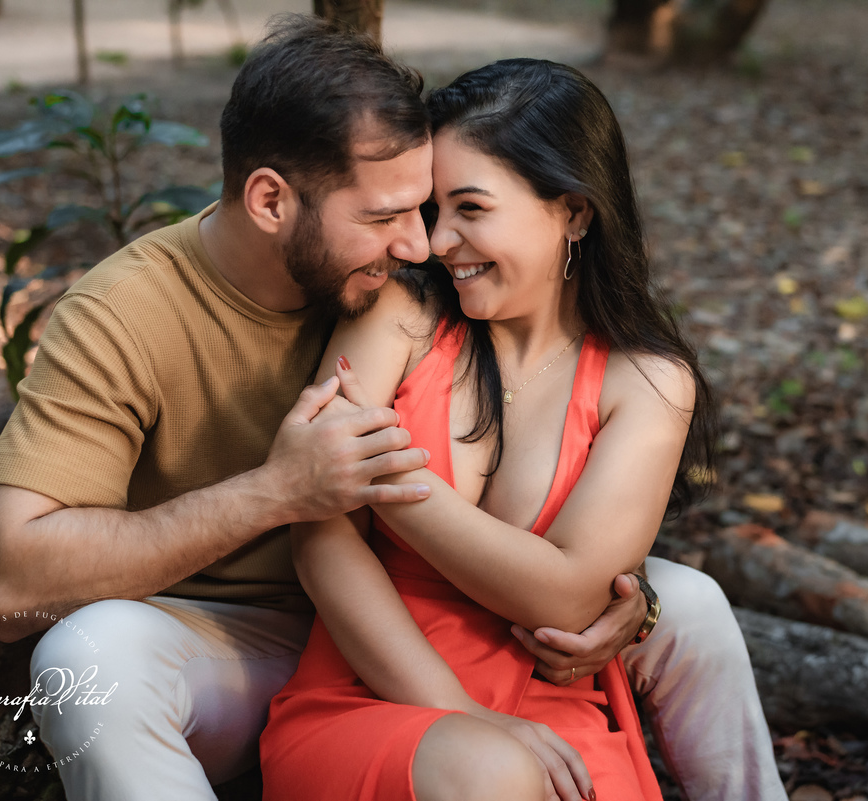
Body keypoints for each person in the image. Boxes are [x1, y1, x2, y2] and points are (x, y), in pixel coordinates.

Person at [0, 15, 783, 801]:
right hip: (246, 640)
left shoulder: (421, 296)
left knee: (693, 604)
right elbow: (11, 584)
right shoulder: (130, 313)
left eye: (428, 206)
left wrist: (631, 596)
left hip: (447, 608)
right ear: (270, 202)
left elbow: (567, 520)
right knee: (95, 655)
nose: (420, 244)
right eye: (388, 216)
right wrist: (277, 490)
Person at [259, 57, 779, 801]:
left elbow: (569, 597)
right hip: (373, 692)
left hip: (556, 707)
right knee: (494, 773)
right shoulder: (401, 317)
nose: (437, 242)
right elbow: (319, 533)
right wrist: (461, 712)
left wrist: (394, 479)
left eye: (470, 209)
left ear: (573, 210)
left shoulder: (648, 382)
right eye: (433, 210)